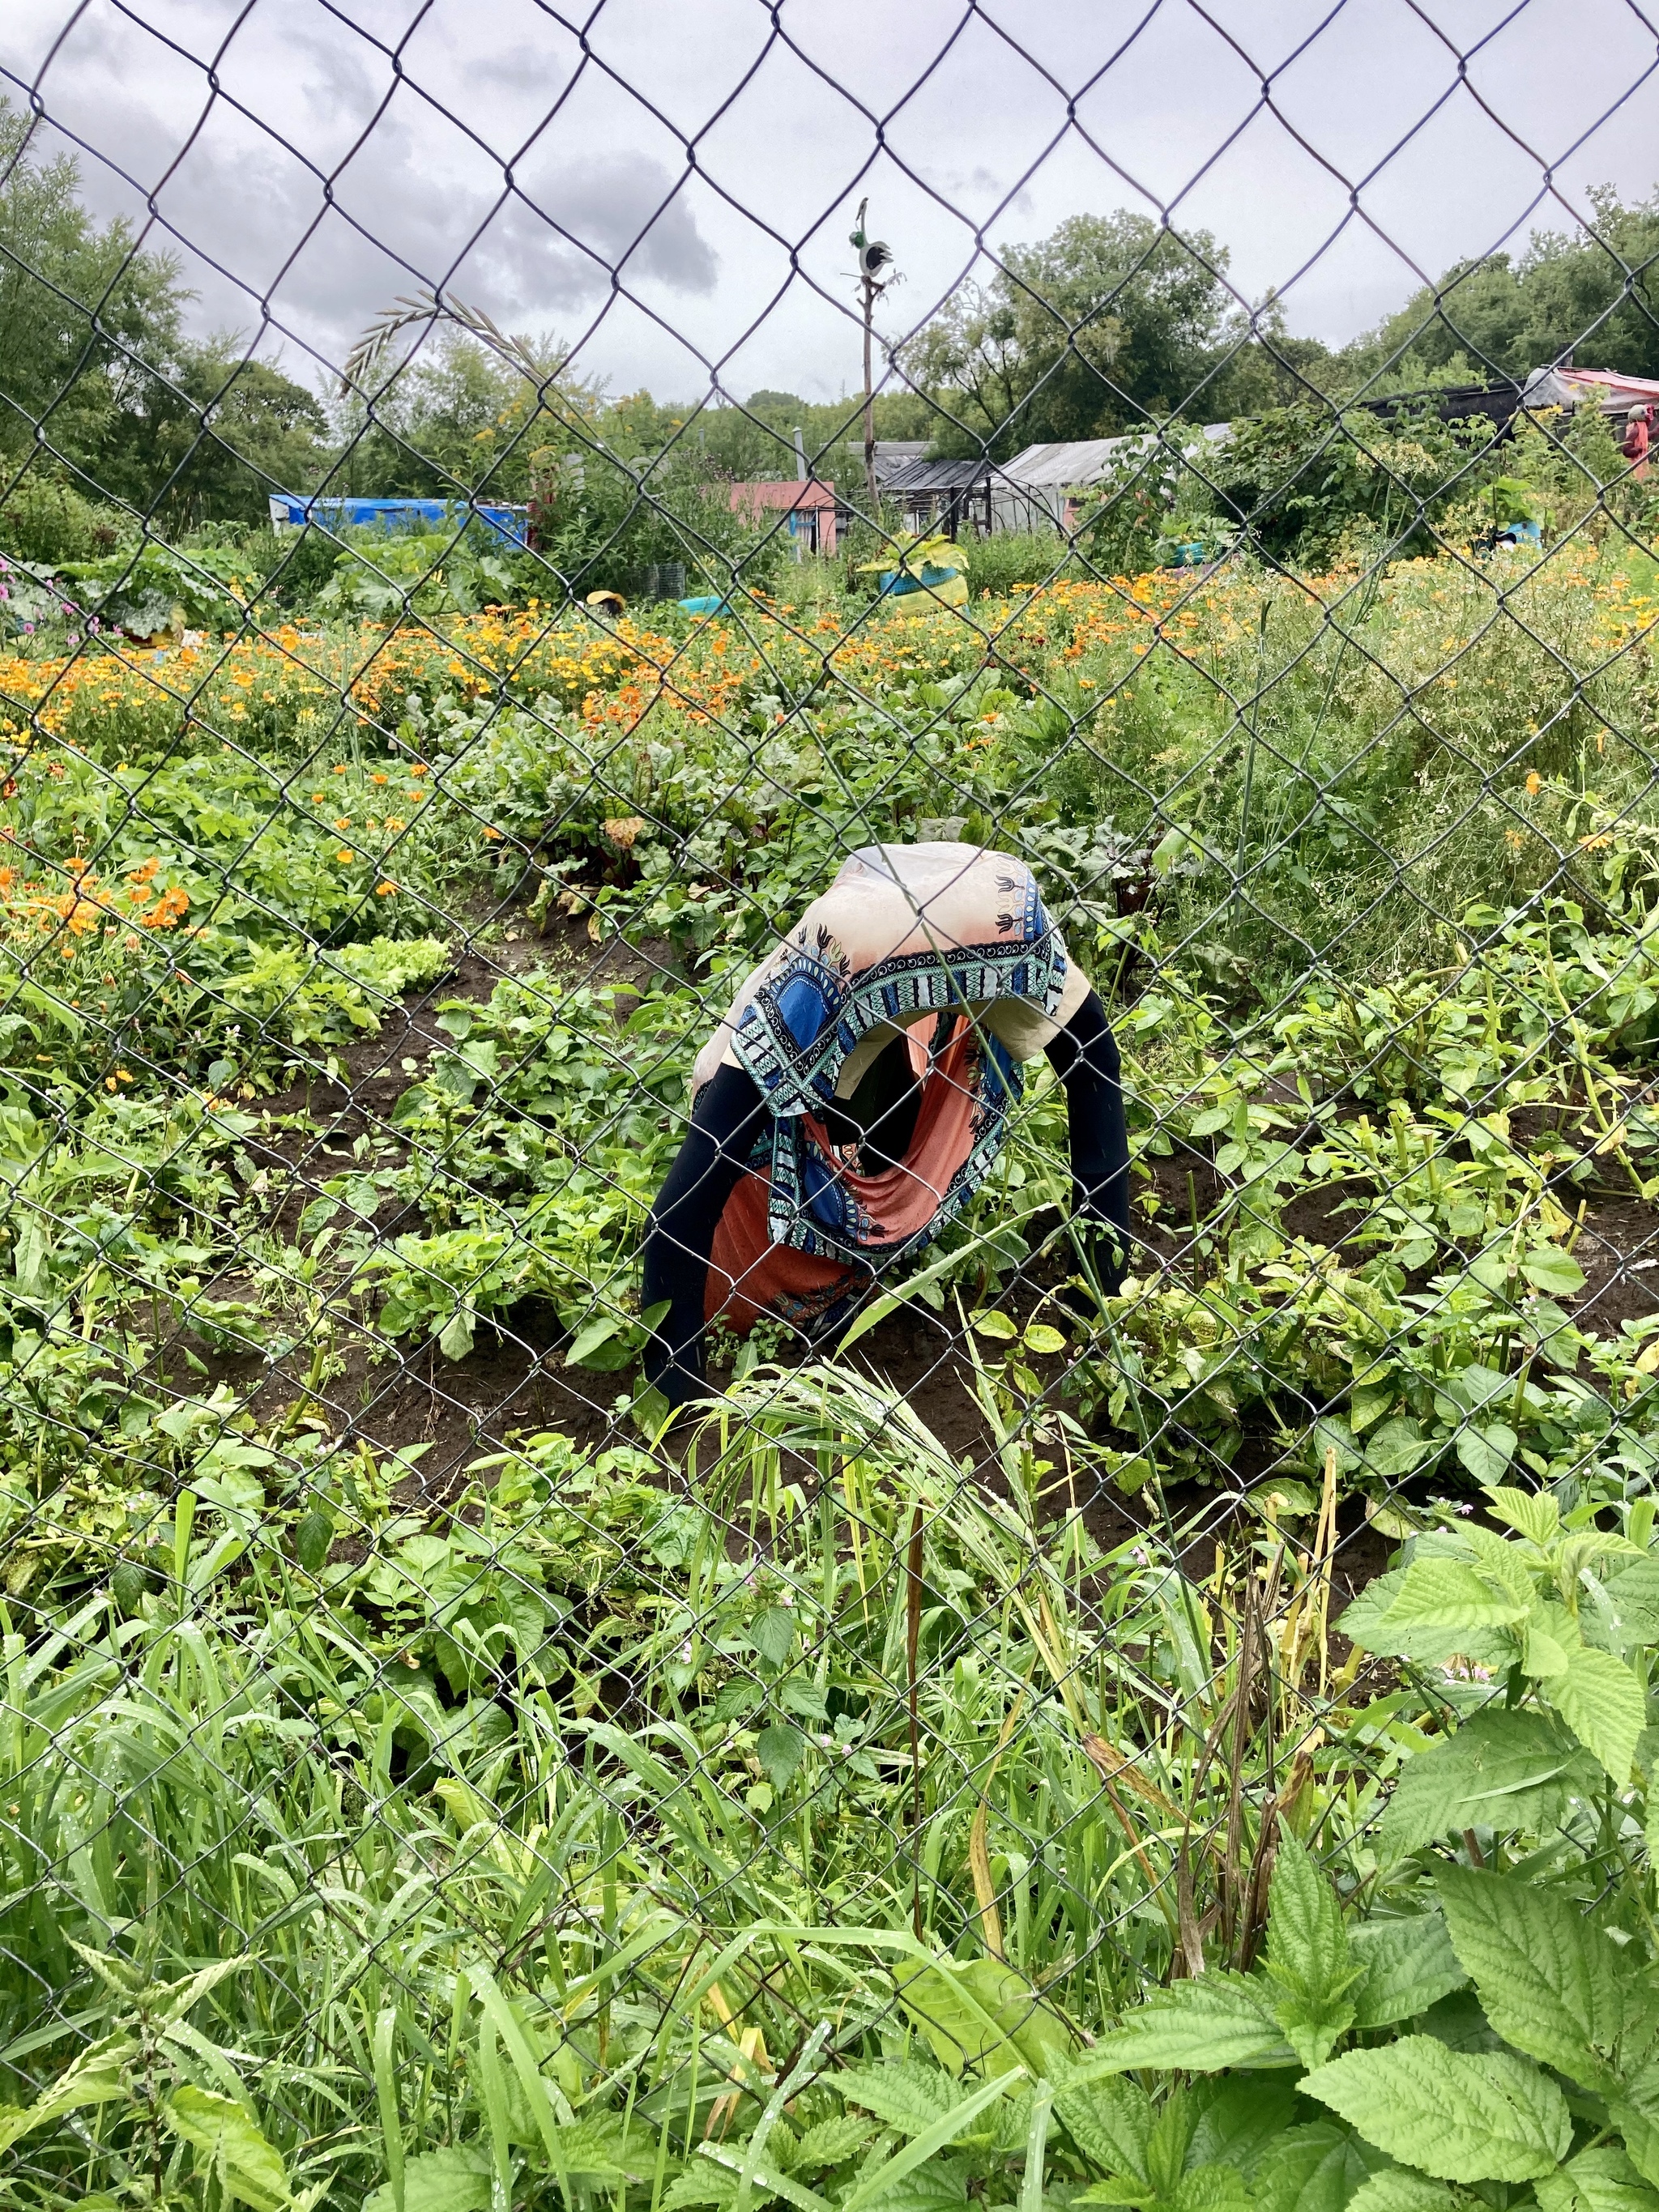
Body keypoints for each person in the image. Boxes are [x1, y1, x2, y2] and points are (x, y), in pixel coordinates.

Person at [641, 842, 1132, 1407]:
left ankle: (1090, 1283)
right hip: (879, 963)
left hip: (957, 938)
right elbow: (683, 1210)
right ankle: (1099, 1285)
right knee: (743, 1180)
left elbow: (1092, 1061)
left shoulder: (1008, 924)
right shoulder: (806, 987)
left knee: (921, 1083)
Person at [1623, 405, 1651, 482]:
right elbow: (1626, 450)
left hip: (1642, 458)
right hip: (1636, 460)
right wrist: (1638, 449)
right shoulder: (1636, 428)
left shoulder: (1641, 426)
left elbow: (1648, 436)